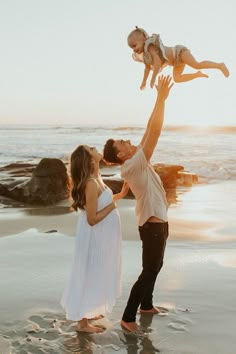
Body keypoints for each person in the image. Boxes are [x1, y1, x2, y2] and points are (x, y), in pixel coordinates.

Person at [103, 75, 173, 334]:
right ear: (120, 155)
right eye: (122, 143)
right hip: (152, 225)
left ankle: (146, 305)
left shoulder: (135, 160)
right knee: (149, 270)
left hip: (159, 220)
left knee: (156, 267)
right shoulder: (133, 164)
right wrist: (161, 98)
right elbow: (155, 131)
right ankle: (128, 318)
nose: (128, 141)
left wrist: (158, 99)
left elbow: (147, 128)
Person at [61, 144, 129, 333]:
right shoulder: (91, 183)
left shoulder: (97, 177)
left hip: (101, 238)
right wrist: (112, 208)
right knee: (89, 273)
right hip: (93, 237)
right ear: (89, 159)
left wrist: (120, 195)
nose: (95, 148)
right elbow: (92, 219)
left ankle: (88, 311)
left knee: (97, 271)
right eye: (92, 148)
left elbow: (102, 202)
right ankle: (82, 323)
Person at [127, 26, 230, 89]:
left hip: (179, 52)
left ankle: (220, 65)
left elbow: (157, 63)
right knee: (177, 79)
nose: (133, 49)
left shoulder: (150, 47)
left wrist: (153, 78)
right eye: (131, 47)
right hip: (176, 63)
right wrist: (143, 81)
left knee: (196, 65)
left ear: (144, 39)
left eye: (134, 45)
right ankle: (197, 75)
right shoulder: (145, 56)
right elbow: (147, 68)